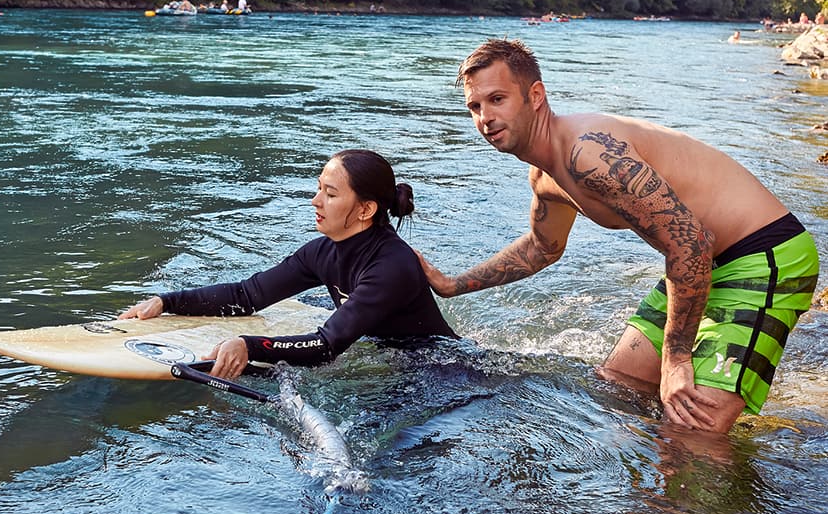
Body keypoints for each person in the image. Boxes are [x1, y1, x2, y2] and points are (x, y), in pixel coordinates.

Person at [418, 39, 819, 434]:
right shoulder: (544, 176)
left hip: (763, 256)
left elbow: (690, 243)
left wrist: (676, 358)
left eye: (497, 99)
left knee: (692, 426)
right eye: (475, 106)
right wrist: (452, 284)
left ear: (535, 95)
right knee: (617, 388)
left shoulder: (587, 154)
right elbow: (542, 248)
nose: (485, 117)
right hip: (697, 264)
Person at [120, 149, 456, 378]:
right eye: (318, 189)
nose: (315, 200)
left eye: (331, 193)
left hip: (439, 371)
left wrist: (247, 346)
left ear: (365, 210)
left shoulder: (390, 266)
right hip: (386, 358)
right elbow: (245, 295)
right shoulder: (323, 252)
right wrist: (167, 302)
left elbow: (325, 346)